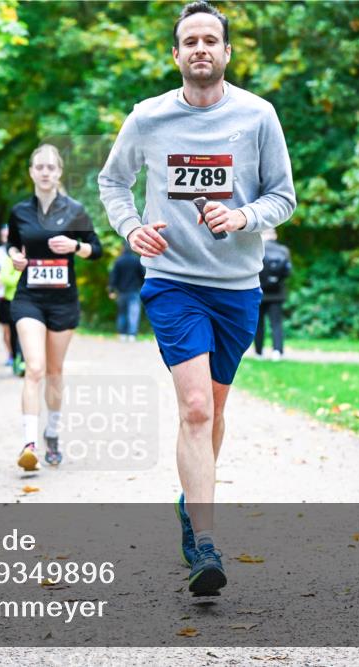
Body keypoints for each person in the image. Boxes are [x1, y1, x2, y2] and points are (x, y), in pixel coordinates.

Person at [98, 1, 296, 595]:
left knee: (215, 409)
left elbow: (283, 198)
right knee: (195, 410)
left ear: (228, 52)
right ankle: (205, 545)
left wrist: (240, 217)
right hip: (172, 280)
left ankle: (192, 500)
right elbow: (113, 182)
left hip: (236, 288)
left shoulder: (258, 116)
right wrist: (131, 229)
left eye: (212, 39)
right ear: (177, 54)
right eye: (191, 41)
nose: (201, 48)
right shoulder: (148, 118)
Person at [8, 144, 103, 470]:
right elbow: (11, 246)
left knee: (54, 371)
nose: (46, 172)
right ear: (32, 172)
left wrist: (76, 246)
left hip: (63, 300)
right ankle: (29, 444)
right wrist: (15, 258)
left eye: (51, 167)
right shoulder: (20, 211)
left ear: (59, 172)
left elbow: (97, 248)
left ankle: (52, 433)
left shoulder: (74, 210)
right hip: (29, 298)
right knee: (34, 368)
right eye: (40, 167)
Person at [254, 228, 292, 360]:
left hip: (259, 292)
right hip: (277, 293)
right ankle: (277, 351)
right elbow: (288, 272)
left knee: (259, 324)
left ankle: (259, 352)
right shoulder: (283, 250)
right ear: (275, 235)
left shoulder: (257, 248)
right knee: (276, 323)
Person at [108, 243, 146, 341]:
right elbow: (143, 275)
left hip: (121, 292)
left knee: (122, 313)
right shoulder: (136, 260)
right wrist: (143, 287)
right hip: (134, 291)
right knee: (133, 313)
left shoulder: (118, 261)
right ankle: (132, 335)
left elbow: (113, 277)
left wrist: (111, 290)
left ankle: (122, 334)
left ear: (122, 249)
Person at [0, 225, 16, 366]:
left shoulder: (22, 250)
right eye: (3, 235)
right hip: (2, 296)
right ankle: (10, 355)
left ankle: (22, 355)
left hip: (20, 296)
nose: (6, 238)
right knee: (7, 328)